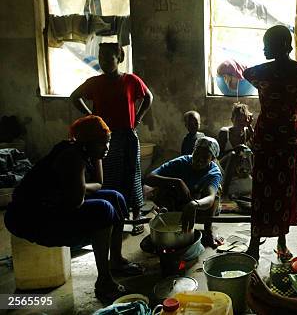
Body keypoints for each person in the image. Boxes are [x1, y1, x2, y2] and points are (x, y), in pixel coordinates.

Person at [4, 116, 144, 303]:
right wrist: (76, 186)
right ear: (86, 143)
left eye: (108, 142)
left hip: (56, 202)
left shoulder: (89, 151)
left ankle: (116, 260)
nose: (107, 148)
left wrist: (77, 184)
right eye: (102, 144)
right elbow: (75, 202)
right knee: (103, 210)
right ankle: (104, 281)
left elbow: (99, 184)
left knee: (116, 197)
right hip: (29, 217)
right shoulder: (72, 156)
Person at [243, 25, 297, 261]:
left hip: (268, 135)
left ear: (278, 46)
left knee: (262, 191)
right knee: (285, 190)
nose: (263, 48)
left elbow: (246, 72)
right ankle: (281, 243)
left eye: (267, 44)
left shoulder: (261, 72)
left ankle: (254, 246)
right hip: (289, 135)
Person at [70, 43, 153, 235]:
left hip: (127, 135)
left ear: (119, 58)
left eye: (109, 57)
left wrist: (138, 118)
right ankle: (113, 215)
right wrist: (92, 116)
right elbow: (75, 97)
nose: (104, 62)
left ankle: (136, 216)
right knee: (108, 178)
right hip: (104, 138)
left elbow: (148, 97)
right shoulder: (95, 82)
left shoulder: (130, 80)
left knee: (132, 175)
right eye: (101, 57)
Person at [145, 136, 223, 247]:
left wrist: (194, 204)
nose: (199, 160)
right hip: (179, 202)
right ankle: (171, 219)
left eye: (205, 157)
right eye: (197, 154)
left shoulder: (213, 172)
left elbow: (210, 198)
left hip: (200, 208)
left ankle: (208, 230)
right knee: (161, 187)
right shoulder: (182, 162)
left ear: (213, 159)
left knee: (216, 194)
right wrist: (177, 182)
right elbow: (149, 178)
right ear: (193, 151)